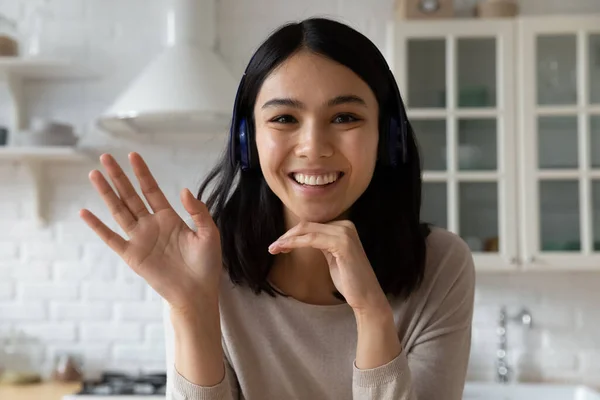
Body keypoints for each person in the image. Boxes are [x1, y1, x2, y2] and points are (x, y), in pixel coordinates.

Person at [80, 17, 475, 400]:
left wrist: (372, 313)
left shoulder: (440, 264)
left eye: (345, 117)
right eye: (284, 118)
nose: (313, 146)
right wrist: (192, 310)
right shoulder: (203, 264)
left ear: (388, 138)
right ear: (247, 141)